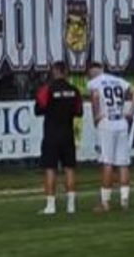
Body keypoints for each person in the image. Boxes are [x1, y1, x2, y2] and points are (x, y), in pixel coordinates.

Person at [87, 63, 134, 212]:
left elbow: (95, 97)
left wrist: (96, 116)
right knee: (123, 162)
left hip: (107, 122)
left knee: (107, 162)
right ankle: (124, 199)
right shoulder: (118, 81)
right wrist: (130, 113)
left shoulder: (94, 82)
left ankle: (105, 201)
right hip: (121, 121)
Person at [35, 61, 83, 215]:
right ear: (66, 72)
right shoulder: (74, 91)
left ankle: (51, 205)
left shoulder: (47, 89)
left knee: (50, 169)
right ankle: (71, 205)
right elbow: (79, 112)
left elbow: (38, 110)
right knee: (69, 168)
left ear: (55, 71)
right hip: (67, 134)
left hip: (51, 135)